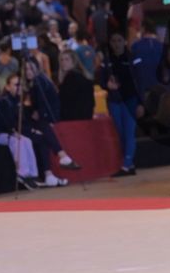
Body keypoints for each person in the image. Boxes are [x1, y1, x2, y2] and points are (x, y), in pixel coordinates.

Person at [97, 33, 142, 177]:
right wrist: (107, 85)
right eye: (113, 41)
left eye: (119, 40)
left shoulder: (132, 58)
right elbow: (101, 80)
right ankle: (130, 164)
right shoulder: (107, 61)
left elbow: (140, 81)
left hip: (130, 100)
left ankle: (126, 164)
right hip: (114, 101)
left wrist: (141, 103)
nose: (116, 43)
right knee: (120, 133)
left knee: (129, 132)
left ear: (125, 42)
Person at [58, 50, 95, 121]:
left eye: (67, 59)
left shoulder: (72, 77)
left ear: (74, 61)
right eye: (61, 60)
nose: (63, 62)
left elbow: (66, 101)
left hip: (74, 118)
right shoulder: (82, 75)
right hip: (85, 117)